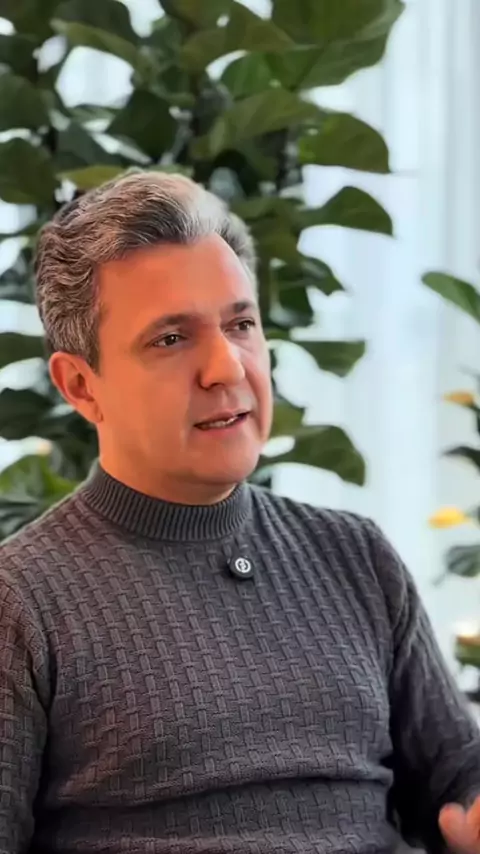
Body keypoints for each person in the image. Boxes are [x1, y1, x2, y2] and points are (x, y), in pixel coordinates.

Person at [0, 171, 478, 854]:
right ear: (81, 385)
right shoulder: (22, 601)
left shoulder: (356, 555)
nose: (226, 368)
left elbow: (457, 776)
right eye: (171, 339)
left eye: (240, 324)